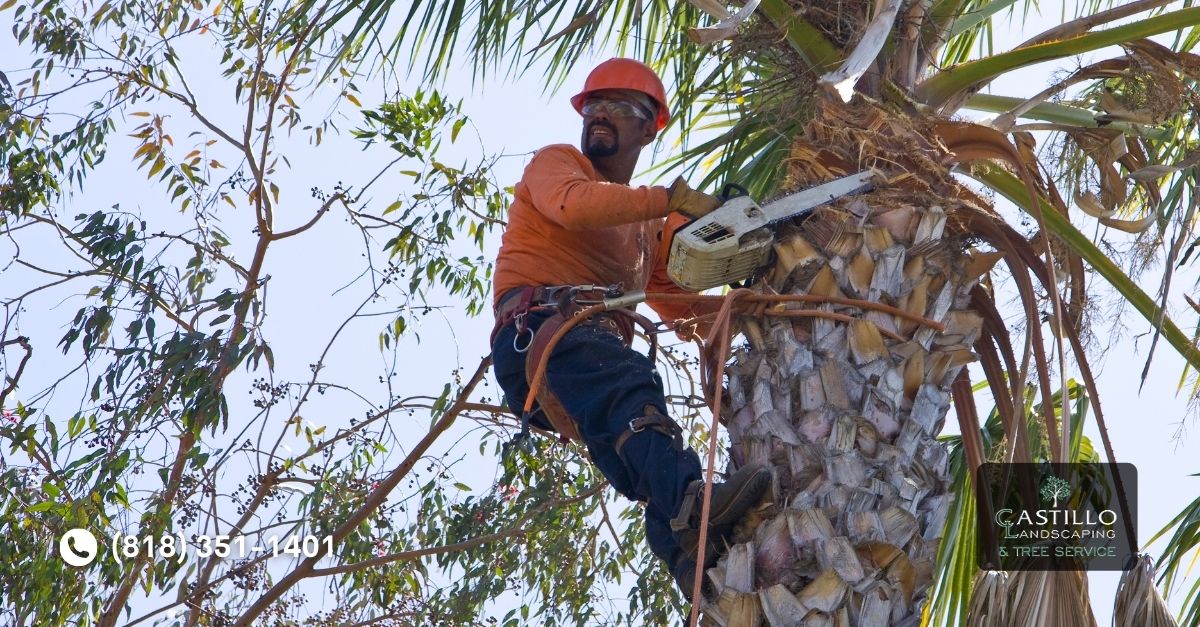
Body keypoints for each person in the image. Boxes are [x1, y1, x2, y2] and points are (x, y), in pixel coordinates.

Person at [488, 58, 770, 601]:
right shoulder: (559, 165)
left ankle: (688, 558)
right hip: (540, 330)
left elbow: (674, 303)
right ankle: (694, 502)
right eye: (594, 107)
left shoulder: (647, 227)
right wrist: (672, 199)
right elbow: (573, 207)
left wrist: (749, 308)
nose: (600, 118)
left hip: (580, 359)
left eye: (618, 110)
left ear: (648, 128)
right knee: (632, 387)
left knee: (640, 438)